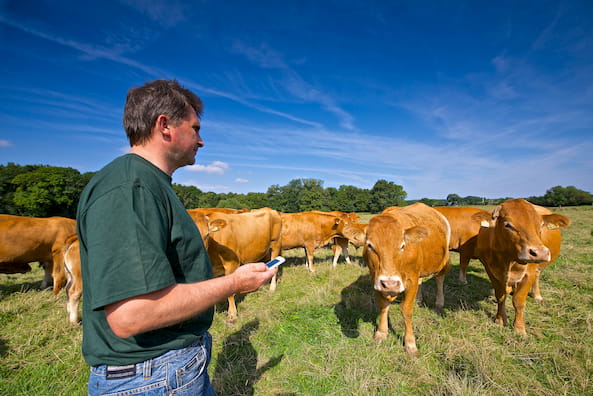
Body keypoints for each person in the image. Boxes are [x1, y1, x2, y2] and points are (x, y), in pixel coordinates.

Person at [76, 79, 277, 395]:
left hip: (164, 370)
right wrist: (234, 283)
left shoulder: (148, 184)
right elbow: (131, 315)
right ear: (164, 125)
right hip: (150, 376)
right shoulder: (132, 189)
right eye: (195, 128)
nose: (201, 141)